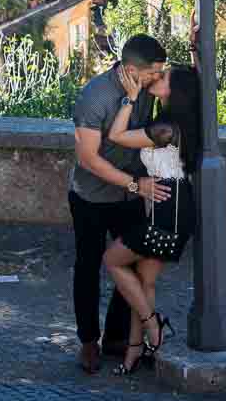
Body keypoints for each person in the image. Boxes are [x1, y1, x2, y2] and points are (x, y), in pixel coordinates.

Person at [102, 18, 201, 376]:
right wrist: (194, 46)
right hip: (167, 207)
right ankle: (135, 350)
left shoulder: (164, 129)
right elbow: (199, 80)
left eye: (164, 78)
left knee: (112, 260)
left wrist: (129, 98)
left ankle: (153, 325)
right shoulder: (177, 119)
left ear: (176, 93)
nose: (157, 77)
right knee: (143, 283)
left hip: (168, 212)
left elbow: (115, 135)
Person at [69, 34, 172, 374]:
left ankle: (116, 336)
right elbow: (88, 159)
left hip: (129, 195)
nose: (157, 78)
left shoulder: (143, 89)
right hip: (90, 197)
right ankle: (88, 342)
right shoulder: (95, 96)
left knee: (131, 263)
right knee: (88, 268)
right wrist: (134, 184)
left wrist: (195, 45)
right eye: (152, 73)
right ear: (130, 69)